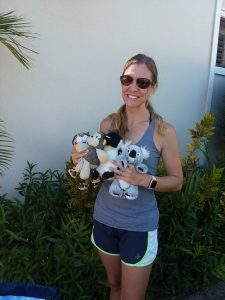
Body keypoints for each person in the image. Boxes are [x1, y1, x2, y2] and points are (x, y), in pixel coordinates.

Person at [71, 53, 183, 300]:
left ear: (153, 88)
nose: (133, 88)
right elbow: (99, 172)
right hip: (104, 220)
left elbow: (177, 181)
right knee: (115, 286)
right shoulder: (107, 125)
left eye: (142, 82)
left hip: (138, 227)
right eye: (127, 80)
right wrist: (82, 161)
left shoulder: (164, 132)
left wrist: (146, 180)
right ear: (121, 82)